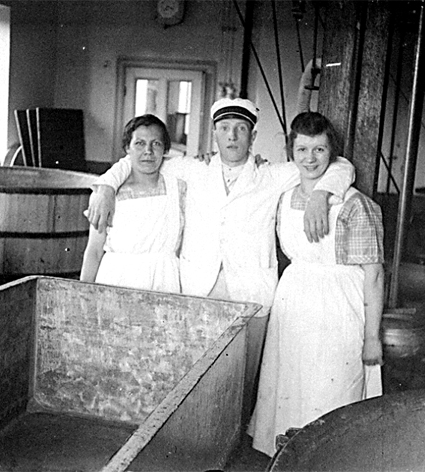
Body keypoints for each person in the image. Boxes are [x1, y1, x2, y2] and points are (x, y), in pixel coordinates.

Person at [86, 98, 356, 426]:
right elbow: (135, 158)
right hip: (199, 286)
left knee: (244, 381)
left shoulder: (272, 175)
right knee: (193, 375)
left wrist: (321, 194)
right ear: (214, 133)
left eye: (241, 129)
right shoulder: (191, 168)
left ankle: (234, 439)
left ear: (253, 136)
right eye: (225, 128)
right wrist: (105, 186)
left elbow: (340, 165)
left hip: (252, 291)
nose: (232, 136)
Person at [248, 111, 384, 457]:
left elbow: (374, 275)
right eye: (302, 149)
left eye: (319, 150)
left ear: (332, 152)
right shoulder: (284, 196)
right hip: (294, 302)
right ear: (291, 152)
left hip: (339, 306)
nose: (310, 159)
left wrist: (372, 337)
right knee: (291, 387)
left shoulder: (355, 204)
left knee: (332, 389)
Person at [80, 114, 185, 293]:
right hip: (117, 279)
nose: (148, 151)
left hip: (164, 280)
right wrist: (82, 294)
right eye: (139, 143)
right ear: (127, 148)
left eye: (156, 144)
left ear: (165, 149)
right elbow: (94, 251)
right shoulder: (107, 195)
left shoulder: (178, 189)